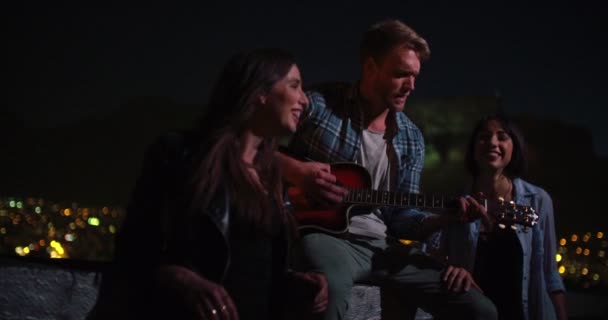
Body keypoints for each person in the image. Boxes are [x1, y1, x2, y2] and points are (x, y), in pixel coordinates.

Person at [277, 19, 497, 320]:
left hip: (383, 247)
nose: (412, 86)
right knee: (327, 294)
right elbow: (252, 145)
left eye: (415, 76)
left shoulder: (411, 138)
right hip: (323, 237)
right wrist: (298, 172)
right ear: (370, 68)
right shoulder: (320, 105)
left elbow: (403, 221)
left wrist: (446, 217)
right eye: (401, 74)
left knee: (480, 309)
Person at [88, 48, 328, 320]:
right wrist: (182, 279)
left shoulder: (272, 176)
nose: (304, 100)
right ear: (260, 92)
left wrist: (297, 282)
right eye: (294, 86)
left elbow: (255, 263)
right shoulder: (180, 156)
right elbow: (134, 250)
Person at [441, 114, 568, 319]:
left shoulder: (538, 200)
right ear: (473, 149)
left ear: (514, 147)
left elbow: (550, 273)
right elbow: (435, 255)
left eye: (502, 137)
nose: (492, 142)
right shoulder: (455, 201)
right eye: (484, 137)